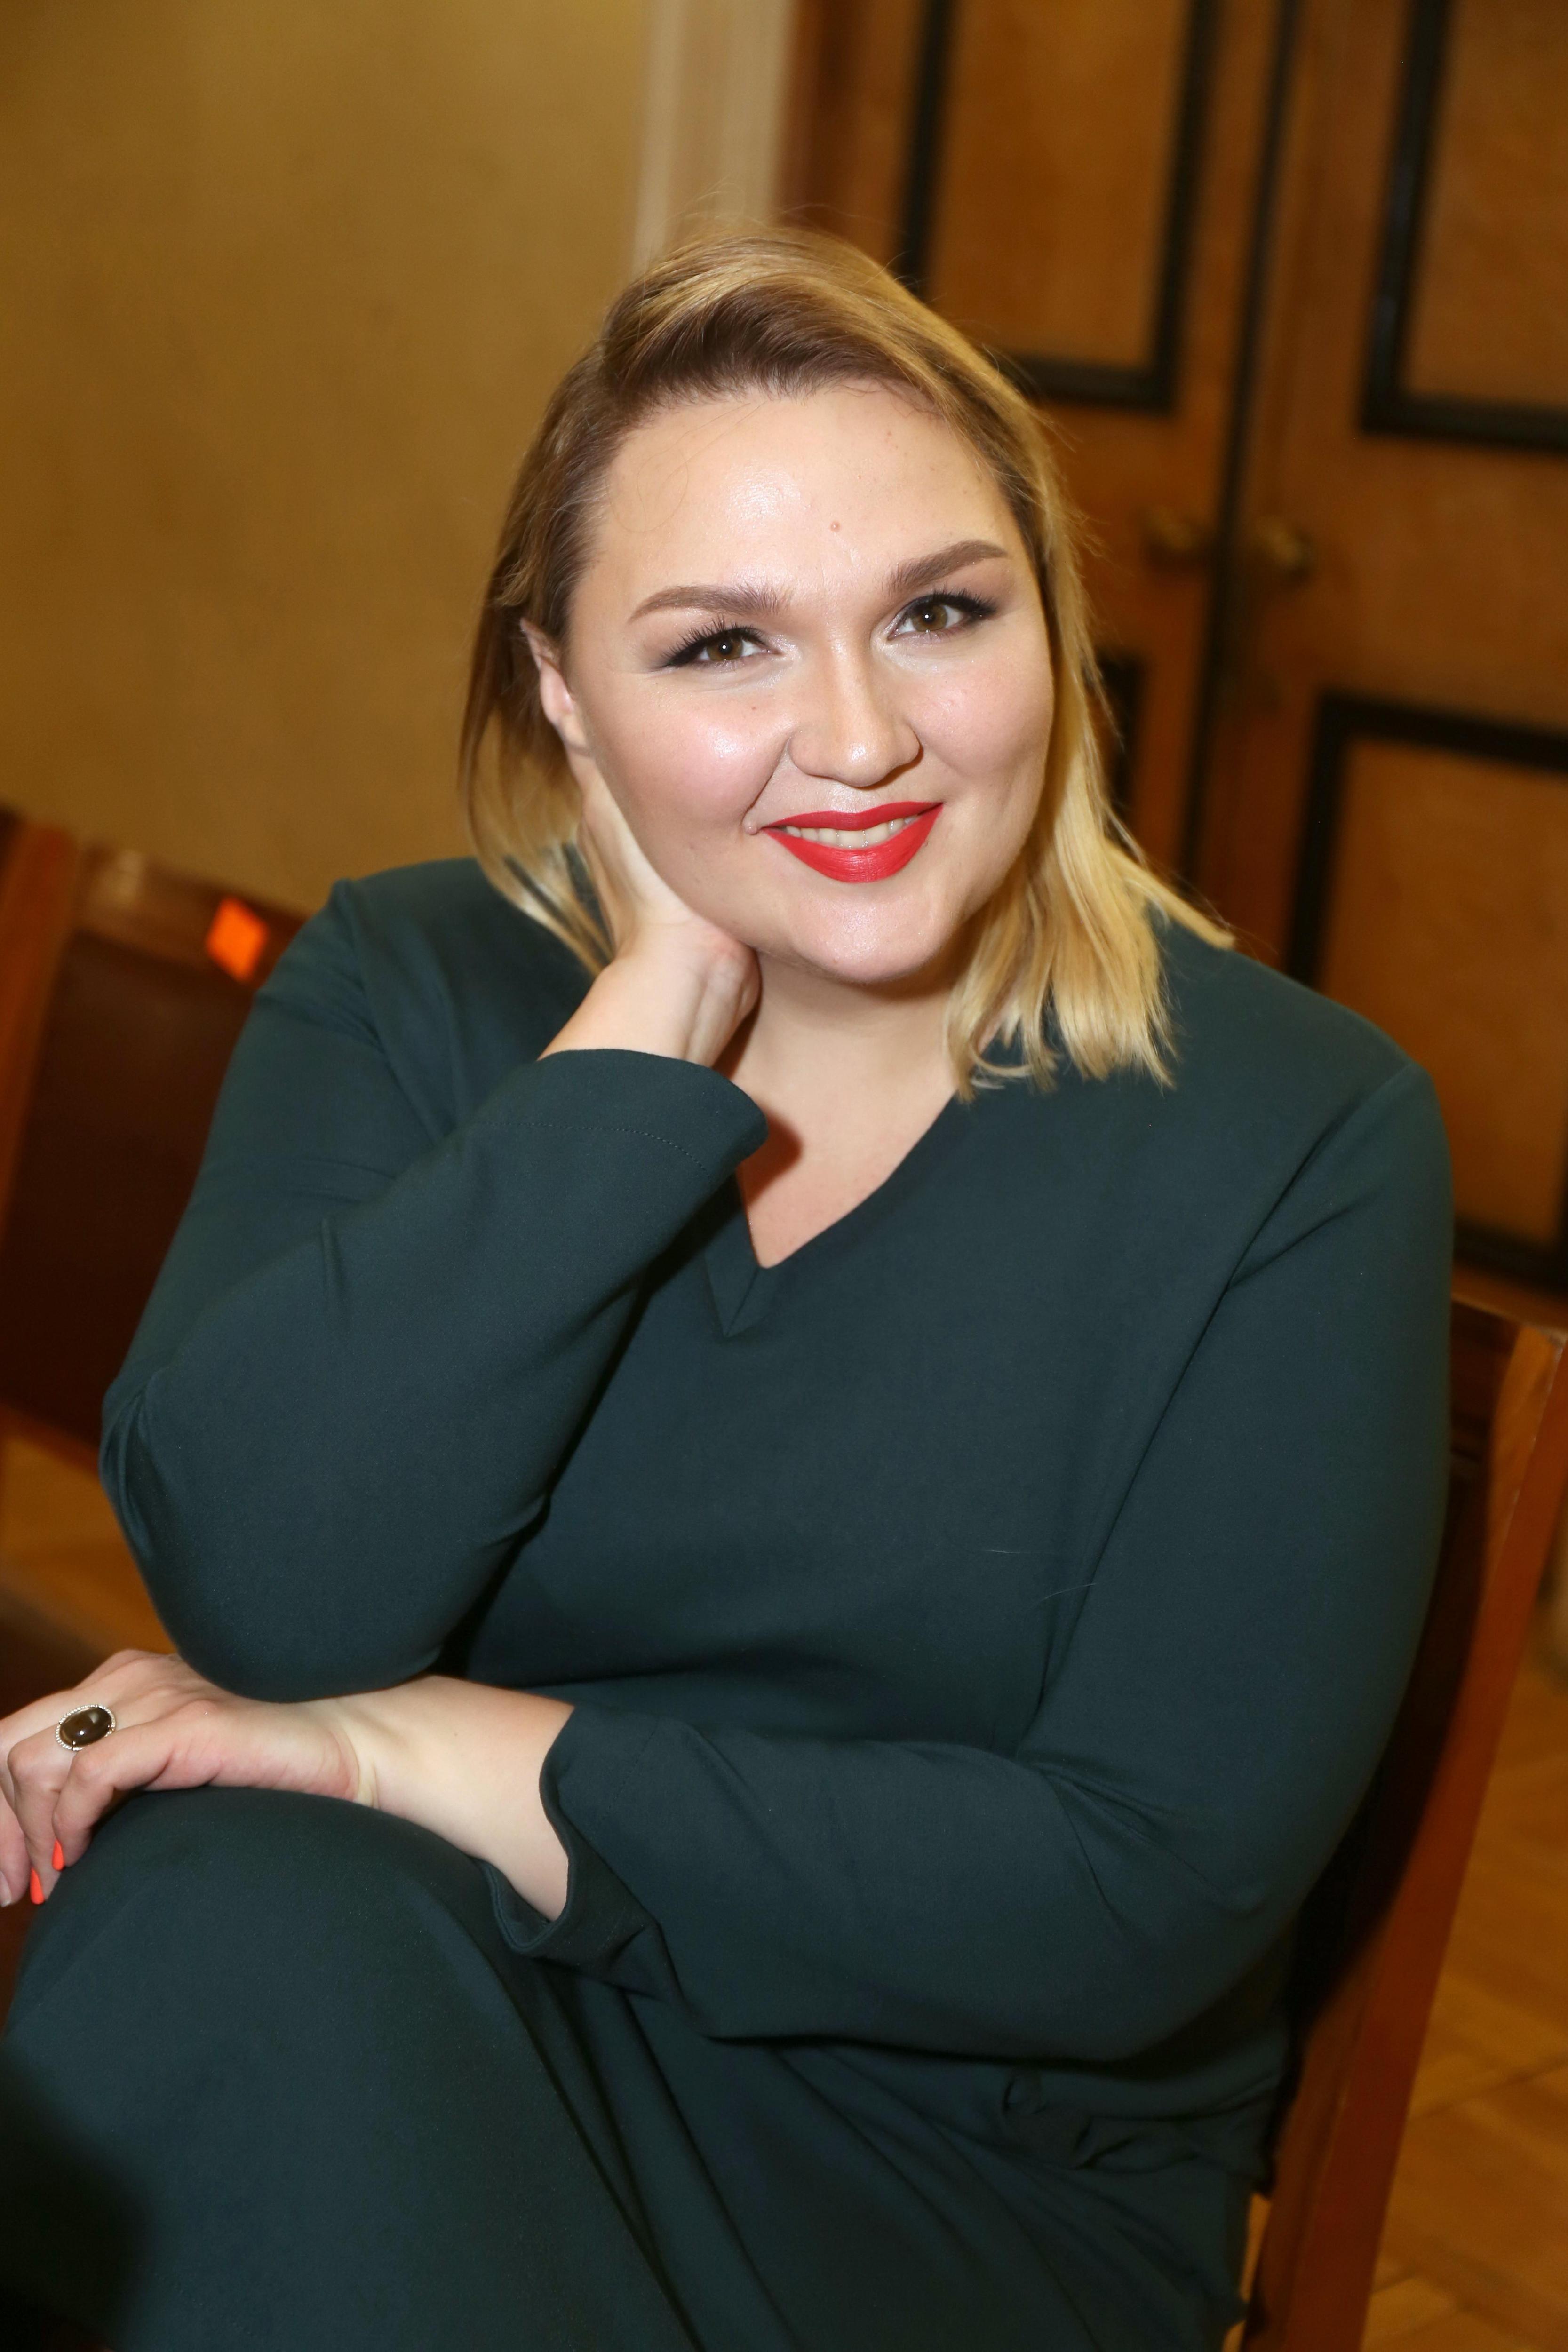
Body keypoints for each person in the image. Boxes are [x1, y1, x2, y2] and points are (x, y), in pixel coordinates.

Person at [0, 229, 1451, 2352]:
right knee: (218, 1907)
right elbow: (267, 1595)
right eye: (722, 648)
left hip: (951, 2153)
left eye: (938, 613)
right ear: (562, 691)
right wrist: (654, 1010)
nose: (859, 739)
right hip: (450, 1980)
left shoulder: (1297, 1131)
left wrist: (419, 1745)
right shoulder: (411, 982)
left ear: (1048, 629)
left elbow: (1128, 1898)